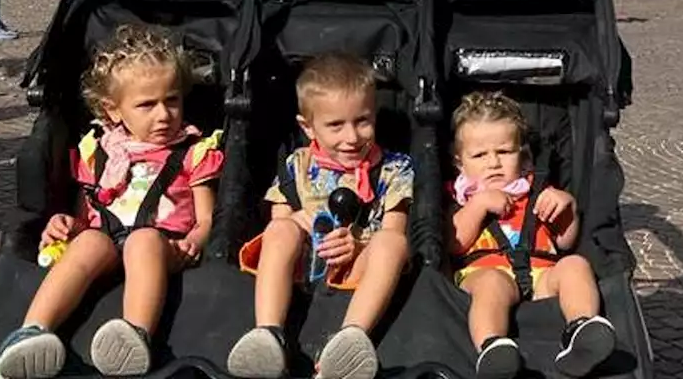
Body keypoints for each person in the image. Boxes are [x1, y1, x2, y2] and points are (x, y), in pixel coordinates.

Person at [0, 24, 224, 378]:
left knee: (143, 240)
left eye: (172, 100)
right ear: (113, 111)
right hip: (107, 239)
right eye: (147, 105)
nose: (164, 115)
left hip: (163, 243)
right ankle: (32, 332)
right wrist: (67, 225)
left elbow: (207, 218)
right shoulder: (100, 151)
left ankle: (134, 334)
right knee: (86, 243)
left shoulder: (193, 152)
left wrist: (193, 241)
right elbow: (87, 211)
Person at [229, 53, 413, 379]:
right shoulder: (297, 165)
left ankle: (349, 340)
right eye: (335, 125)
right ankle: (268, 334)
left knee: (393, 243)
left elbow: (394, 227)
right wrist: (294, 218)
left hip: (358, 265)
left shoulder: (392, 169)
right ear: (308, 126)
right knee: (280, 230)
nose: (352, 137)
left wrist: (357, 243)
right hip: (304, 263)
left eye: (363, 121)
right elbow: (279, 213)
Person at [447, 92, 616, 379]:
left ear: (524, 159)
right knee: (491, 284)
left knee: (575, 265)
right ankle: (492, 346)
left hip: (542, 276)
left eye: (504, 152)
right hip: (485, 272)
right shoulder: (460, 198)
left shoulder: (537, 192)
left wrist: (568, 208)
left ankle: (581, 327)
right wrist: (478, 205)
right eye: (479, 155)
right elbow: (454, 243)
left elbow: (564, 241)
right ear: (460, 164)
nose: (493, 163)